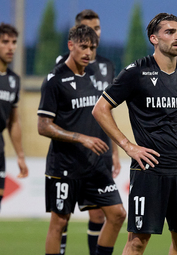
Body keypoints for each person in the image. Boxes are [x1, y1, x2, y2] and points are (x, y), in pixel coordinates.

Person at [92, 13, 177, 255]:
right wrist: (127, 145)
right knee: (137, 241)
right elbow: (100, 109)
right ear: (154, 38)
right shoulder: (137, 72)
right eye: (170, 32)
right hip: (149, 169)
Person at [37, 25, 126, 255]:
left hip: (94, 166)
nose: (88, 52)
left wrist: (114, 149)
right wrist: (80, 138)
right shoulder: (54, 80)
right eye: (83, 46)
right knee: (59, 223)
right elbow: (43, 126)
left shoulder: (93, 78)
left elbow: (104, 115)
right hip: (65, 166)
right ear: (70, 45)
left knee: (117, 214)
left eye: (93, 48)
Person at [55, 10, 119, 255]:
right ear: (75, 33)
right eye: (88, 28)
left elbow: (108, 111)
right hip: (71, 154)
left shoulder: (107, 66)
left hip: (101, 150)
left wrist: (113, 151)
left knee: (101, 213)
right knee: (62, 216)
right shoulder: (62, 65)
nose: (94, 33)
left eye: (98, 28)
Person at [0, 23, 29, 251]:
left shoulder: (14, 80)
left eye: (14, 42)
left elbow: (14, 121)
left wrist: (21, 156)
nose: (10, 47)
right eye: (5, 42)